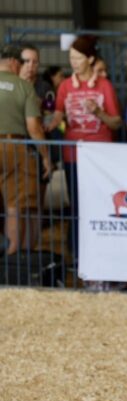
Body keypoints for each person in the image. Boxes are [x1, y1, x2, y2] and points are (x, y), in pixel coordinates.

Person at [48, 35, 122, 268]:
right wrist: (48, 122)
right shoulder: (65, 86)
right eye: (71, 58)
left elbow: (116, 122)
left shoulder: (104, 86)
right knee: (76, 204)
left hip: (100, 155)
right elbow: (58, 115)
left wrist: (98, 112)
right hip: (73, 155)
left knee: (101, 203)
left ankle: (102, 253)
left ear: (90, 59)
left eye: (78, 58)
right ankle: (77, 254)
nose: (74, 63)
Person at [0, 44, 51, 254]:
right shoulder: (24, 87)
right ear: (14, 62)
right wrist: (46, 157)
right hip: (12, 146)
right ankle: (12, 260)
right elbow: (34, 129)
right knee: (14, 203)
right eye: (21, 62)